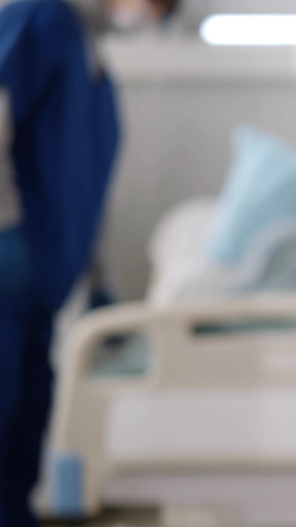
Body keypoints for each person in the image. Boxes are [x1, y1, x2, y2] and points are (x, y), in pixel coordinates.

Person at [0, 0, 177, 524]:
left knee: (29, 406)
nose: (154, 17)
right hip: (11, 257)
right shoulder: (42, 19)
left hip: (46, 277)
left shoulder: (97, 72)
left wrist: (100, 285)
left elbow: (88, 198)